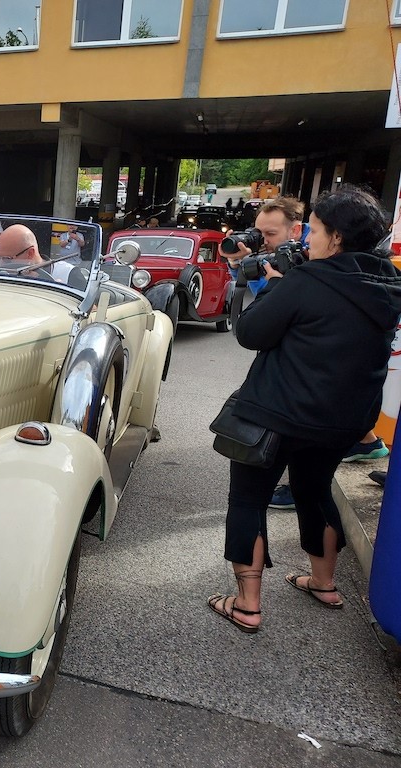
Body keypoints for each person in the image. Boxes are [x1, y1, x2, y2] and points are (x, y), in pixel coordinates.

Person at [207, 184, 401, 634]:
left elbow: (251, 332)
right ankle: (324, 582)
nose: (306, 239)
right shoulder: (389, 283)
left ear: (334, 238)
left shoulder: (307, 280)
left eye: (313, 230)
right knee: (314, 491)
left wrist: (276, 288)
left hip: (279, 413)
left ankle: (247, 605)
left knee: (249, 498)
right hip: (343, 420)